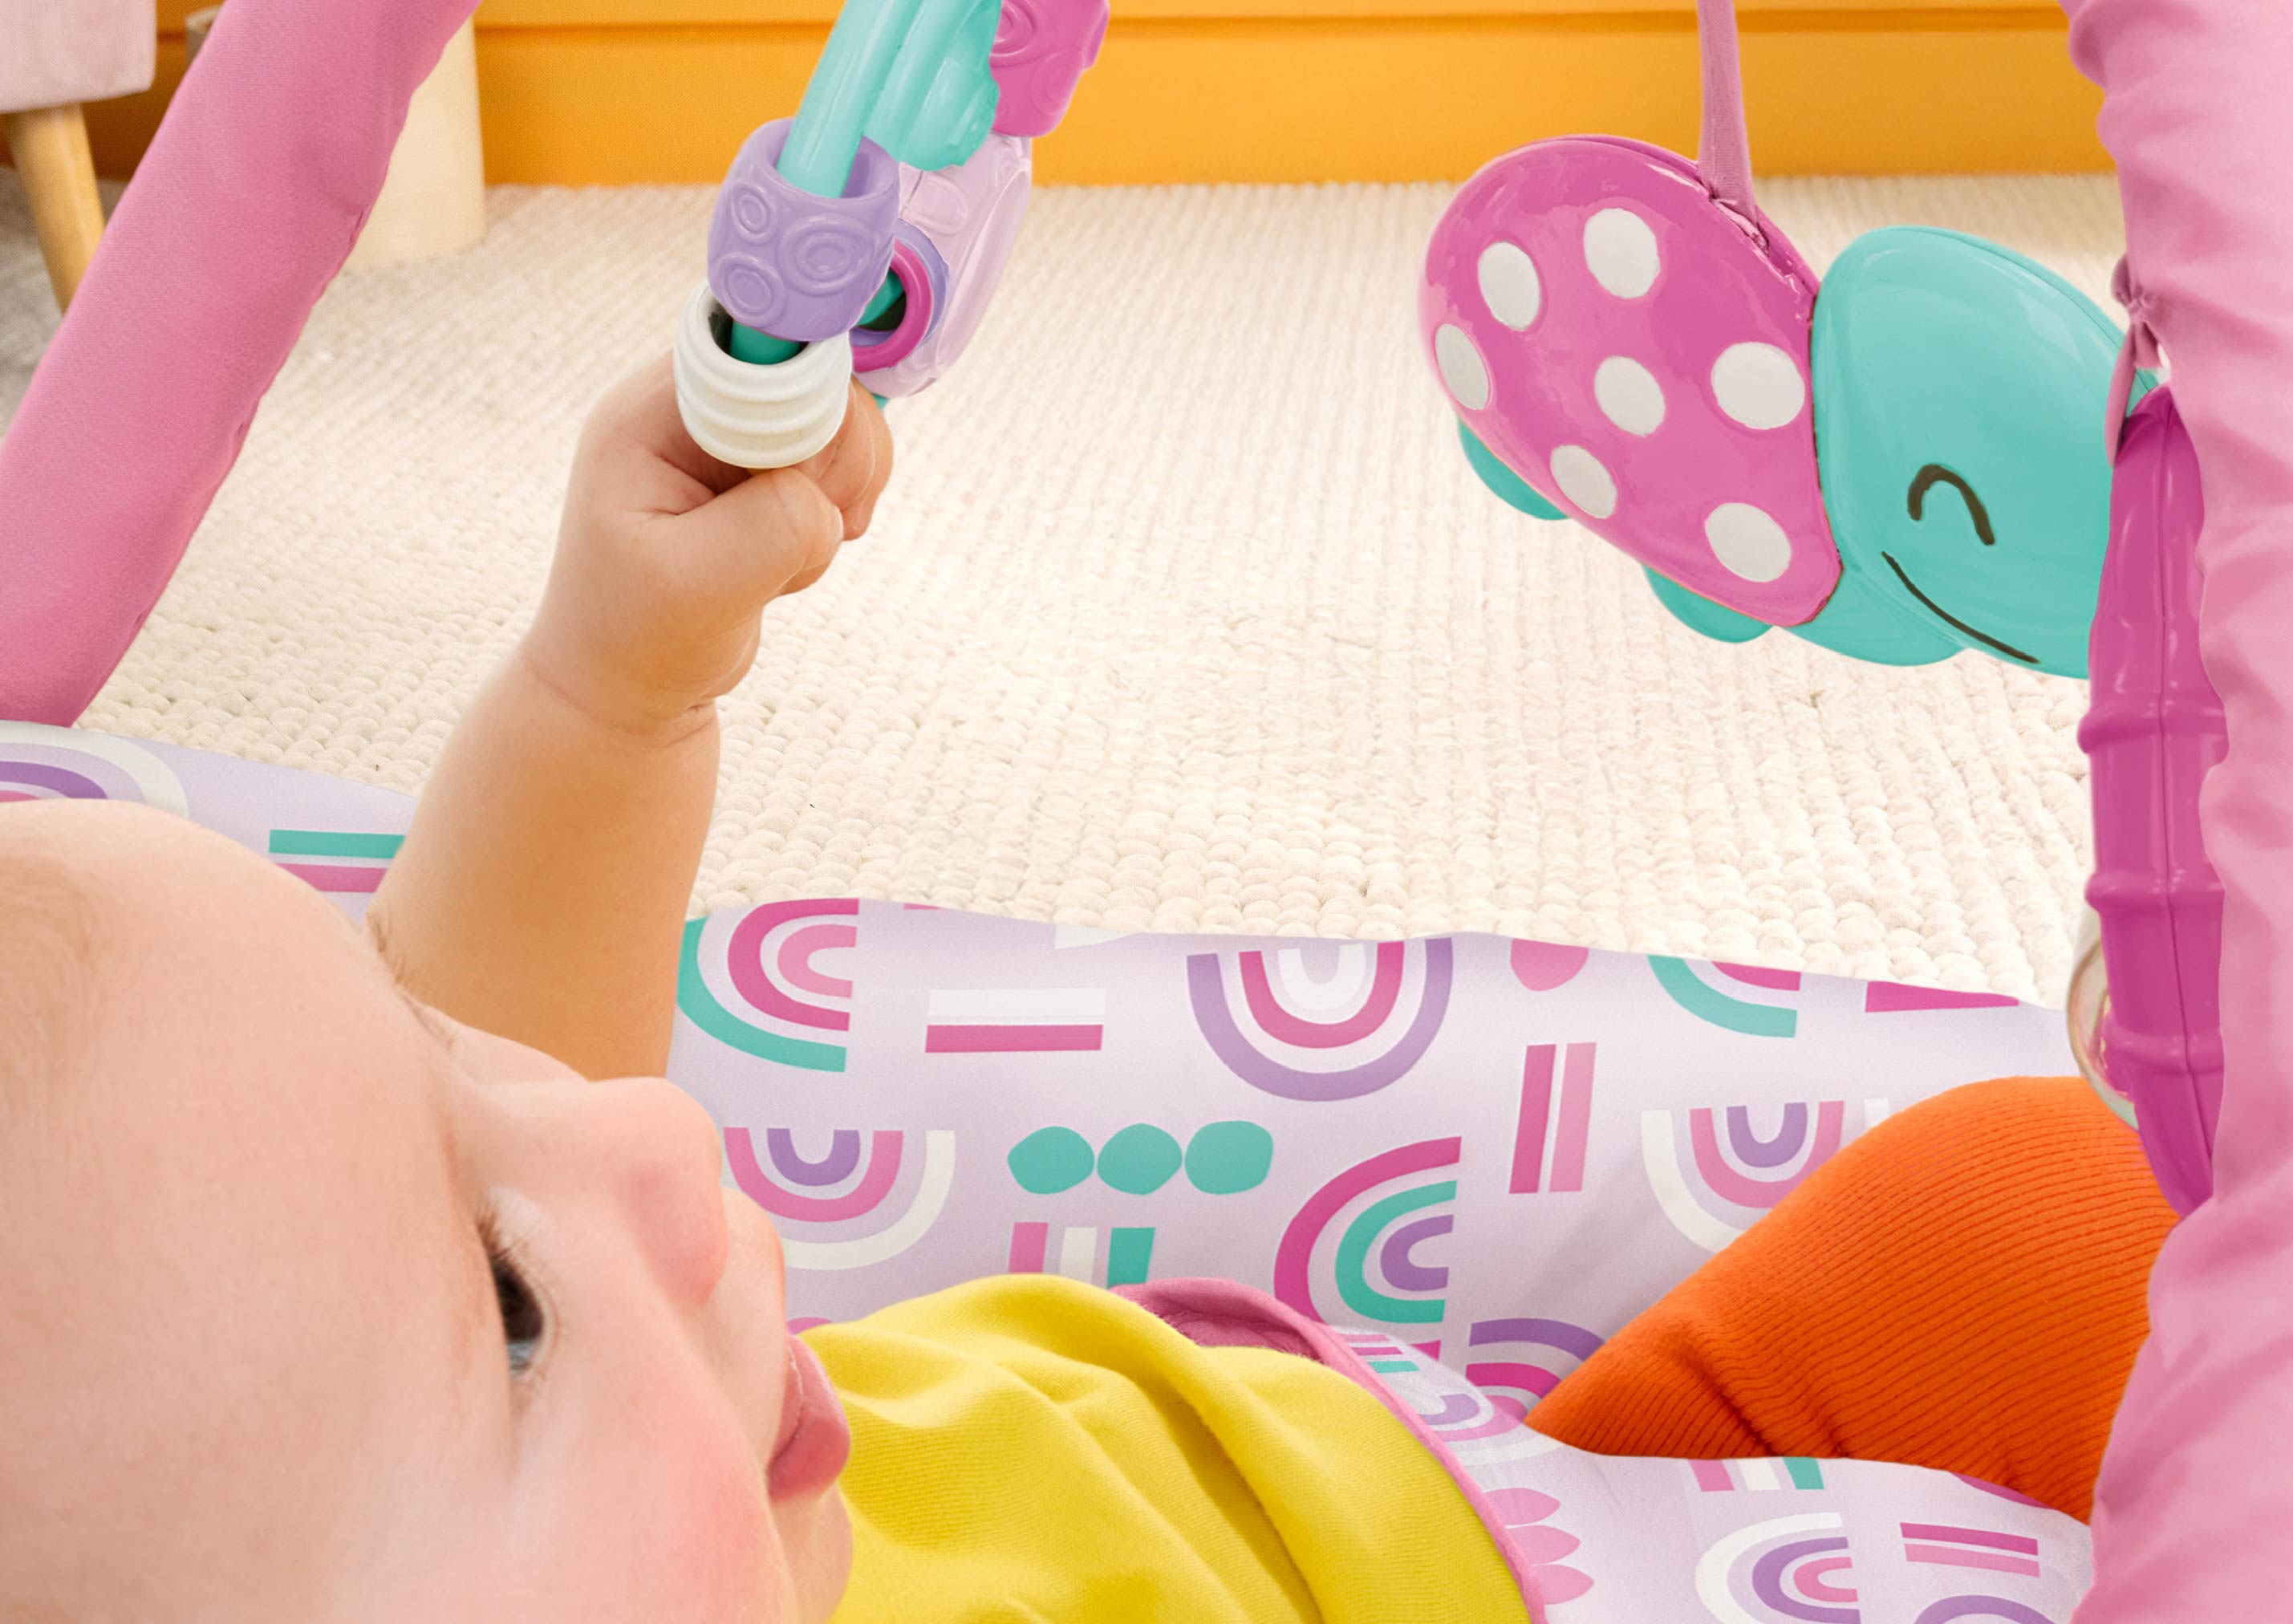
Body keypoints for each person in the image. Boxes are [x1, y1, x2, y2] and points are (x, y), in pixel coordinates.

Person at [0, 360, 2176, 1622]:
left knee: (2034, 1194)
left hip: (1489, 1464)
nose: (651, 1135)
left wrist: (609, 690)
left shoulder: (639, 1457)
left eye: (431, 1059)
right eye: (507, 1313)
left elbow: (515, 1027)